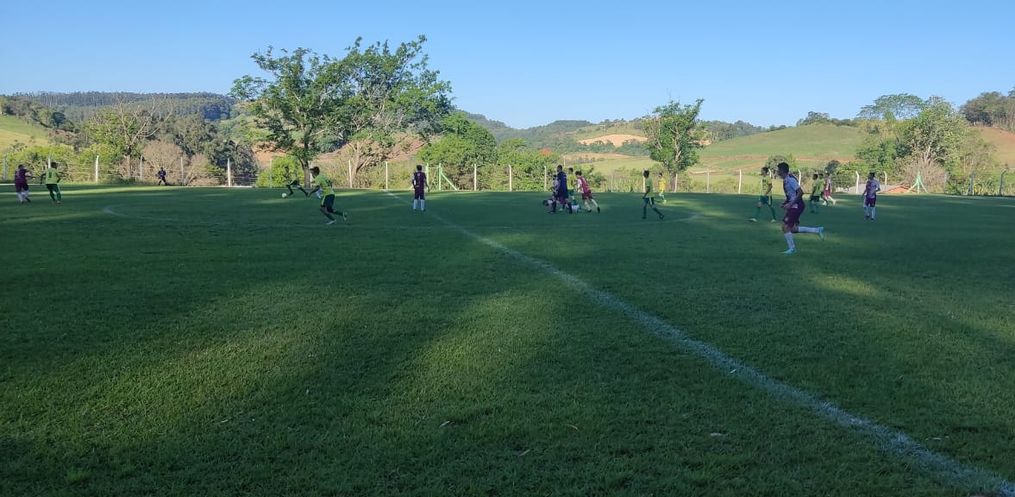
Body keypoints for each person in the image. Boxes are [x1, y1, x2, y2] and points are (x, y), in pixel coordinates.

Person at [776, 162, 823, 254]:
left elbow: (800, 192)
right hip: (795, 205)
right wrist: (785, 203)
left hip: (797, 206)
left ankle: (792, 249)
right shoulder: (786, 180)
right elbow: (791, 195)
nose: (777, 172)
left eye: (778, 170)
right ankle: (817, 230)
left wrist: (791, 204)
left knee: (785, 226)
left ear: (782, 170)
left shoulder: (790, 180)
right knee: (792, 229)